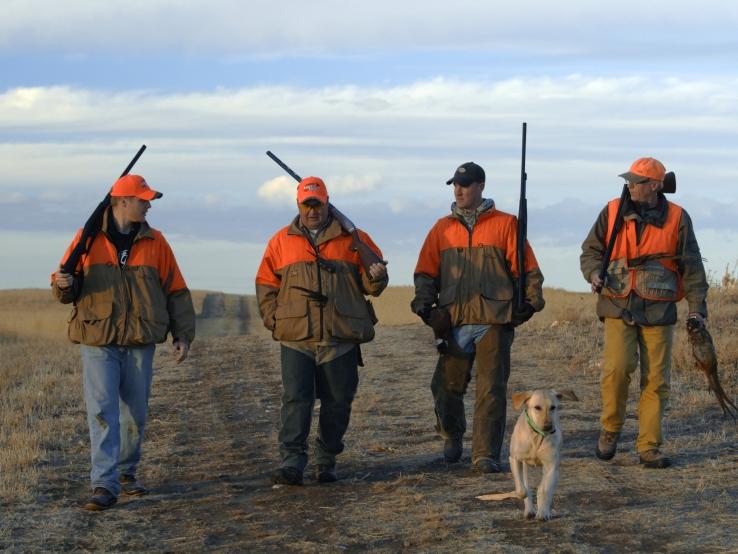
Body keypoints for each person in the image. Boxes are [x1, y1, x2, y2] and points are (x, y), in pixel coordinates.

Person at [52, 174, 195, 510]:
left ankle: (127, 473)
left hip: (139, 339)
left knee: (136, 413)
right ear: (122, 202)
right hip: (98, 338)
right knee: (101, 410)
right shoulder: (87, 239)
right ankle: (104, 484)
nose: (148, 205)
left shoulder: (156, 242)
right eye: (143, 199)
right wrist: (62, 283)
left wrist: (182, 335)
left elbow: (176, 289)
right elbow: (63, 289)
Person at [411, 162, 545, 473]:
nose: (459, 190)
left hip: (494, 320)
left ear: (481, 186)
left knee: (491, 389)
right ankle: (452, 434)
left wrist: (529, 304)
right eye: (455, 185)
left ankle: (485, 455)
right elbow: (425, 273)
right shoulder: (441, 229)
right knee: (444, 386)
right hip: (454, 321)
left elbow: (528, 270)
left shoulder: (506, 224)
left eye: (466, 184)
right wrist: (426, 309)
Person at [256, 176, 388, 485]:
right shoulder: (280, 241)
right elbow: (265, 285)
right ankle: (292, 462)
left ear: (328, 203)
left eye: (318, 204)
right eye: (307, 204)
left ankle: (326, 459)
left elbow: (374, 286)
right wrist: (276, 322)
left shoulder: (355, 238)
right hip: (296, 340)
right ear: (298, 204)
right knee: (295, 401)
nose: (313, 211)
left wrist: (378, 276)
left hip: (339, 338)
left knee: (338, 402)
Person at [580, 157, 708, 468]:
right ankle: (610, 430)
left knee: (656, 381)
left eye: (636, 181)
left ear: (655, 186)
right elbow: (590, 251)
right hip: (618, 303)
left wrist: (697, 309)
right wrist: (594, 273)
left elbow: (691, 266)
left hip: (659, 307)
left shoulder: (678, 217)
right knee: (617, 370)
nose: (629, 186)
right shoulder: (612, 210)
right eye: (629, 180)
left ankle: (649, 447)